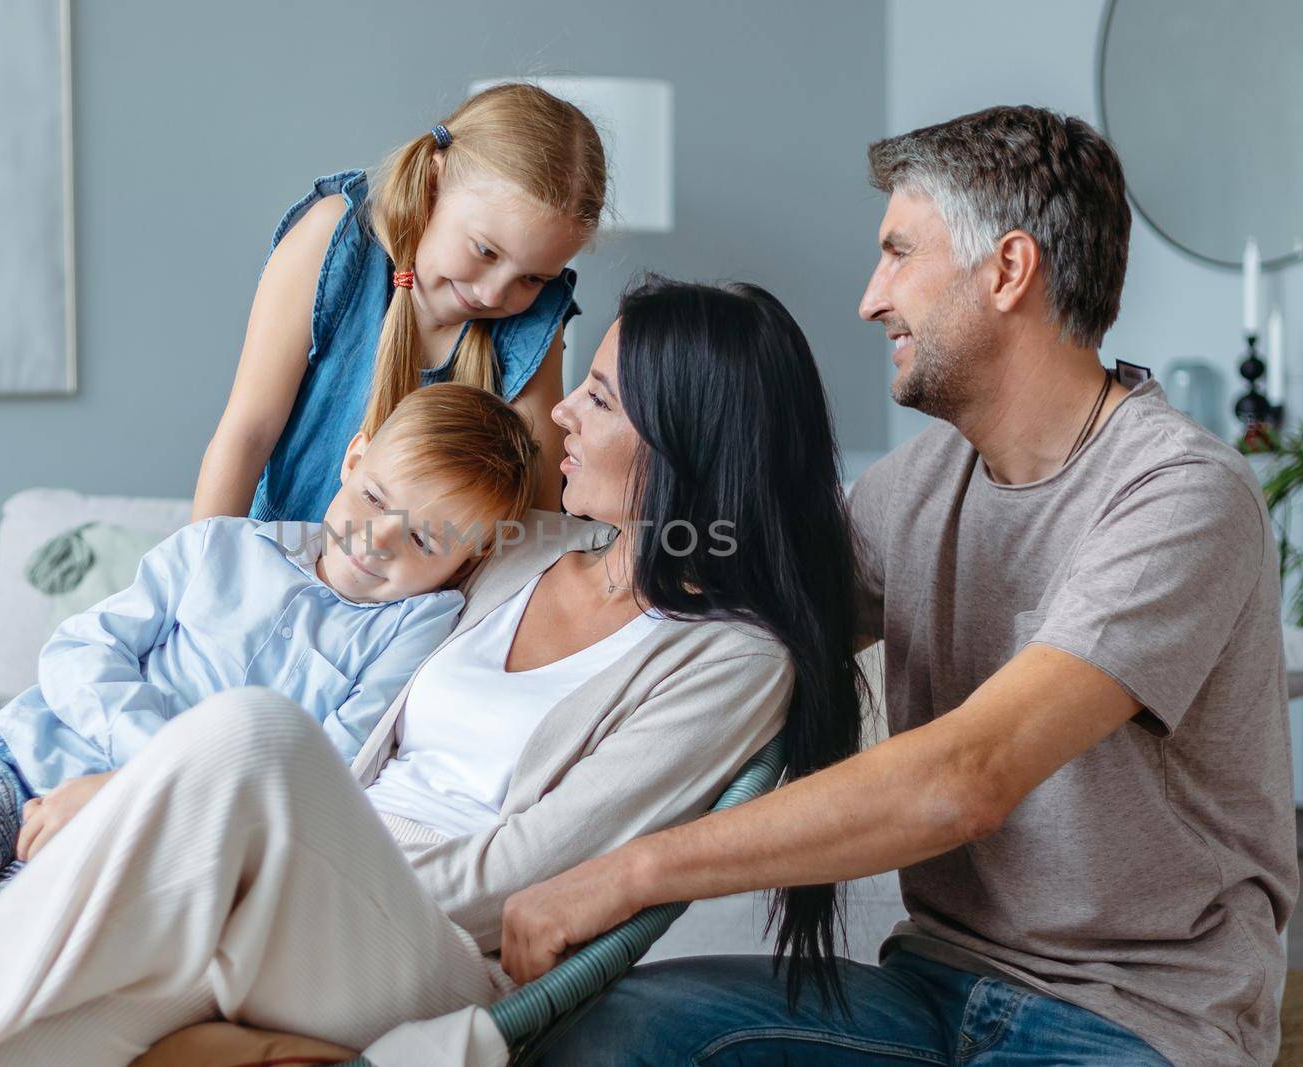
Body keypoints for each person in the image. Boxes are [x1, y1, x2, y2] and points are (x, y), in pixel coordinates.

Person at [0, 278, 868, 1067]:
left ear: (684, 444)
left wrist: (240, 838)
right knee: (36, 1032)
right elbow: (333, 552)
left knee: (253, 730)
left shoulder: (727, 657)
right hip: (286, 862)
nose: (561, 417)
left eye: (598, 396)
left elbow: (533, 866)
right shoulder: (525, 547)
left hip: (423, 936)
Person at [511, 106, 1299, 1067]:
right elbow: (742, 627)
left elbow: (965, 779)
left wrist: (628, 873)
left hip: (1132, 1018)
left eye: (897, 252)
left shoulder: (1179, 493)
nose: (870, 297)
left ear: (1008, 271)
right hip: (930, 988)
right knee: (605, 1036)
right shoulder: (925, 483)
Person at [0, 382, 542, 1067]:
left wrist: (133, 796)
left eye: (425, 535)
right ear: (353, 458)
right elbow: (77, 653)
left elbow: (323, 765)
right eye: (373, 497)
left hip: (131, 838)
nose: (376, 538)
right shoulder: (218, 549)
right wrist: (150, 766)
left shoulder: (413, 631)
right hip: (15, 760)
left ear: (467, 557)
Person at [191, 82, 606, 524]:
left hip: (424, 594)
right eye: (485, 251)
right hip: (273, 558)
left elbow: (535, 516)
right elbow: (247, 434)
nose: (492, 294)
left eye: (532, 278)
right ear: (433, 182)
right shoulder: (335, 242)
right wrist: (204, 579)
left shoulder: (533, 322)